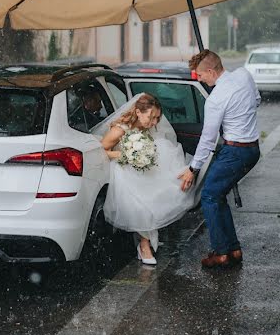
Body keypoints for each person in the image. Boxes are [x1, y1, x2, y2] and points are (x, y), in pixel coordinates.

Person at [179, 50, 260, 269]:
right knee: (218, 194)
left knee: (208, 196)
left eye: (200, 75)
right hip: (253, 150)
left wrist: (192, 168)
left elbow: (207, 139)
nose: (199, 79)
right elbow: (257, 99)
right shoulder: (244, 75)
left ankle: (221, 252)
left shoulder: (215, 99)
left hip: (235, 152)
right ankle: (233, 248)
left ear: (211, 71)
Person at [98, 93, 197, 265]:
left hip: (142, 166)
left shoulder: (149, 126)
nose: (154, 123)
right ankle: (144, 245)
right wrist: (126, 155)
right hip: (122, 166)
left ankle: (149, 238)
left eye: (157, 118)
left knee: (167, 183)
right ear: (138, 112)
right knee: (140, 198)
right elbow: (101, 151)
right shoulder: (120, 129)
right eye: (151, 118)